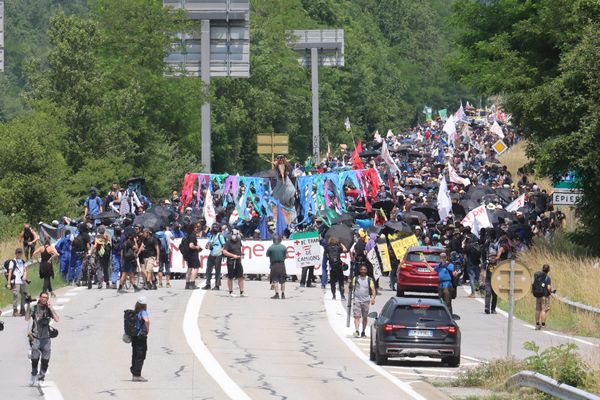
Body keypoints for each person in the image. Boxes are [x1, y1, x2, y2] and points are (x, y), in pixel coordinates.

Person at [25, 291, 59, 386]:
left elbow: (57, 319)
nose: (44, 299)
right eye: (43, 297)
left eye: (46, 298)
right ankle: (33, 374)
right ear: (40, 298)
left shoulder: (48, 309)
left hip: (46, 338)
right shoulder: (34, 308)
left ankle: (41, 378)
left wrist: (51, 308)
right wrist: (28, 306)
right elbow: (27, 318)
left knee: (45, 360)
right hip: (36, 338)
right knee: (35, 359)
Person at [349, 264, 375, 338]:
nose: (363, 271)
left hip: (366, 301)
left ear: (366, 271)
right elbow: (351, 288)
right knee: (356, 316)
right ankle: (357, 330)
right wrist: (350, 284)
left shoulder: (369, 279)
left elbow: (373, 290)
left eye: (364, 269)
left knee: (365, 317)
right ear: (359, 271)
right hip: (357, 300)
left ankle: (363, 332)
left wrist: (373, 298)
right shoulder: (356, 278)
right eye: (361, 269)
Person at [130, 296, 150, 382]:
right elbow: (147, 320)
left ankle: (134, 372)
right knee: (141, 355)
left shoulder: (135, 312)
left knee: (135, 354)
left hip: (134, 336)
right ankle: (137, 374)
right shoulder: (143, 312)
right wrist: (147, 330)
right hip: (141, 336)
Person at [222, 231, 245, 297]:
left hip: (238, 261)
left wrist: (240, 256)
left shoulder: (239, 240)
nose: (234, 236)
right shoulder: (228, 241)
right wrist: (233, 255)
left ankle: (242, 292)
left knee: (240, 276)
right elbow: (224, 251)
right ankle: (230, 292)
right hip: (231, 261)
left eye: (235, 234)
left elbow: (239, 249)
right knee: (230, 277)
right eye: (233, 234)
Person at [7, 248, 29, 316]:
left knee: (24, 295)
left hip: (22, 281)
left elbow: (25, 270)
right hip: (15, 281)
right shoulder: (12, 262)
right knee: (16, 295)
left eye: (20, 253)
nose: (19, 254)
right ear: (15, 253)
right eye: (18, 253)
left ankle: (22, 309)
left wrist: (25, 276)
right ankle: (15, 310)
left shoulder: (22, 261)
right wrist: (9, 283)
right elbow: (10, 272)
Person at [266, 235, 288, 299]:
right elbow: (287, 256)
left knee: (275, 280)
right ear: (280, 240)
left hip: (274, 265)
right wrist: (282, 258)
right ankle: (283, 294)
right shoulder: (283, 247)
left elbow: (267, 255)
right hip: (281, 265)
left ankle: (277, 294)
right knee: (283, 281)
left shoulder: (270, 248)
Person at [203, 223, 225, 290]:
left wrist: (219, 251)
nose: (215, 229)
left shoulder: (220, 236)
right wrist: (207, 245)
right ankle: (208, 284)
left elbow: (224, 246)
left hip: (218, 255)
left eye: (216, 228)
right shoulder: (211, 236)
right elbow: (207, 246)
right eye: (214, 228)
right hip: (212, 254)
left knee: (217, 270)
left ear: (218, 229)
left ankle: (217, 285)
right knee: (208, 269)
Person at [534, 264, 553, 330]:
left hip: (537, 295)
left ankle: (537, 325)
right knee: (543, 310)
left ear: (542, 269)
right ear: (548, 270)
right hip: (544, 296)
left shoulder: (537, 276)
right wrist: (551, 291)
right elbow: (548, 287)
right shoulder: (547, 278)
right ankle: (543, 325)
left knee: (537, 310)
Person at [184, 225, 201, 290]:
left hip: (188, 254)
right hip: (193, 254)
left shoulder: (188, 235)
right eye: (195, 227)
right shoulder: (193, 235)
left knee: (189, 268)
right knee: (196, 268)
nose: (197, 228)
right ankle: (192, 284)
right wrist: (197, 247)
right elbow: (191, 245)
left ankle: (187, 284)